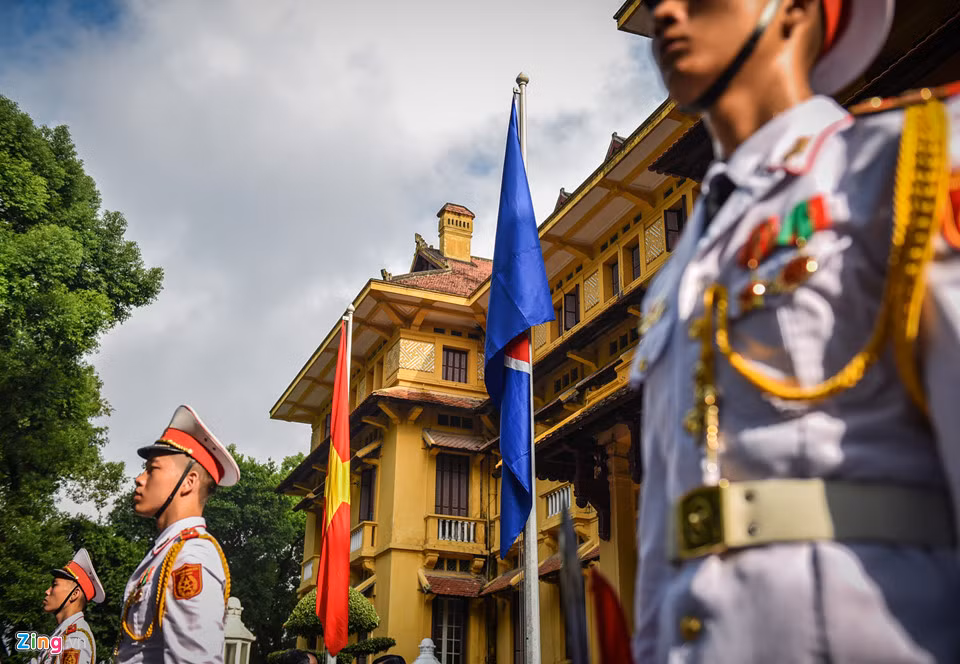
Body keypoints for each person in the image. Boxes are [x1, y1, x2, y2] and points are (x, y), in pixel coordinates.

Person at [628, 0, 960, 662]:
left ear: (796, 8)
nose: (666, 11)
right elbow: (665, 526)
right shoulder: (676, 275)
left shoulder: (910, 159)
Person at [114, 404, 241, 664]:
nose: (139, 479)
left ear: (189, 481)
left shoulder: (191, 555)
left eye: (152, 469)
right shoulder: (166, 552)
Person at [31, 548, 105, 664]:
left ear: (74, 595)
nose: (47, 591)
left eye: (54, 585)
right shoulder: (62, 634)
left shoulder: (76, 637)